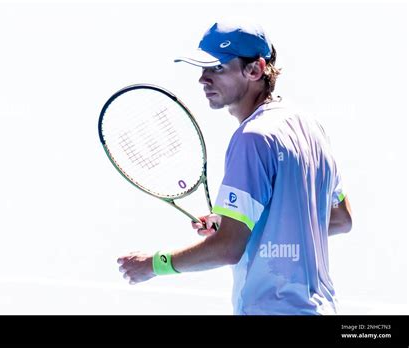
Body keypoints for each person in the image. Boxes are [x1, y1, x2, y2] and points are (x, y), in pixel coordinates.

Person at [117, 21, 352, 315]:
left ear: (254, 70)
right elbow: (341, 219)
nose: (203, 79)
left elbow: (228, 247)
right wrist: (243, 226)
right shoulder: (311, 128)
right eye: (202, 69)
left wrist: (153, 265)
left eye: (217, 68)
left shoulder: (253, 138)